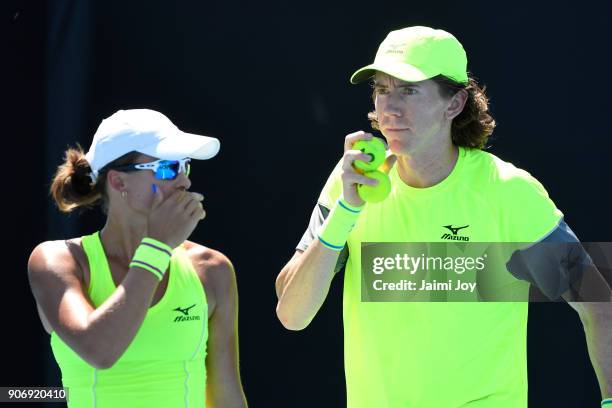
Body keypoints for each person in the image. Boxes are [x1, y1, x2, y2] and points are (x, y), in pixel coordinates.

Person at [275, 26, 611, 407]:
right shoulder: (348, 185)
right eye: (383, 90)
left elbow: (599, 303)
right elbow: (292, 314)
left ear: (454, 104)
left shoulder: (508, 190)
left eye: (409, 90)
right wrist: (346, 211)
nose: (391, 108)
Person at [28, 109, 247, 407]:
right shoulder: (57, 260)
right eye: (168, 168)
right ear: (119, 183)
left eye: (185, 166)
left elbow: (226, 396)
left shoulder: (212, 270)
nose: (183, 182)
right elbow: (99, 351)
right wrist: (157, 247)